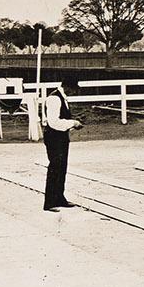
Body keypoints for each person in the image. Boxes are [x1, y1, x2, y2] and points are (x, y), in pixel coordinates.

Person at [39, 78, 83, 211]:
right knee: (55, 167)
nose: (74, 92)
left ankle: (59, 198)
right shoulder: (54, 99)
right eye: (74, 89)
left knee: (61, 167)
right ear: (67, 87)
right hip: (54, 136)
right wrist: (73, 123)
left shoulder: (62, 98)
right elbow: (54, 122)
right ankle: (50, 202)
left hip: (61, 136)